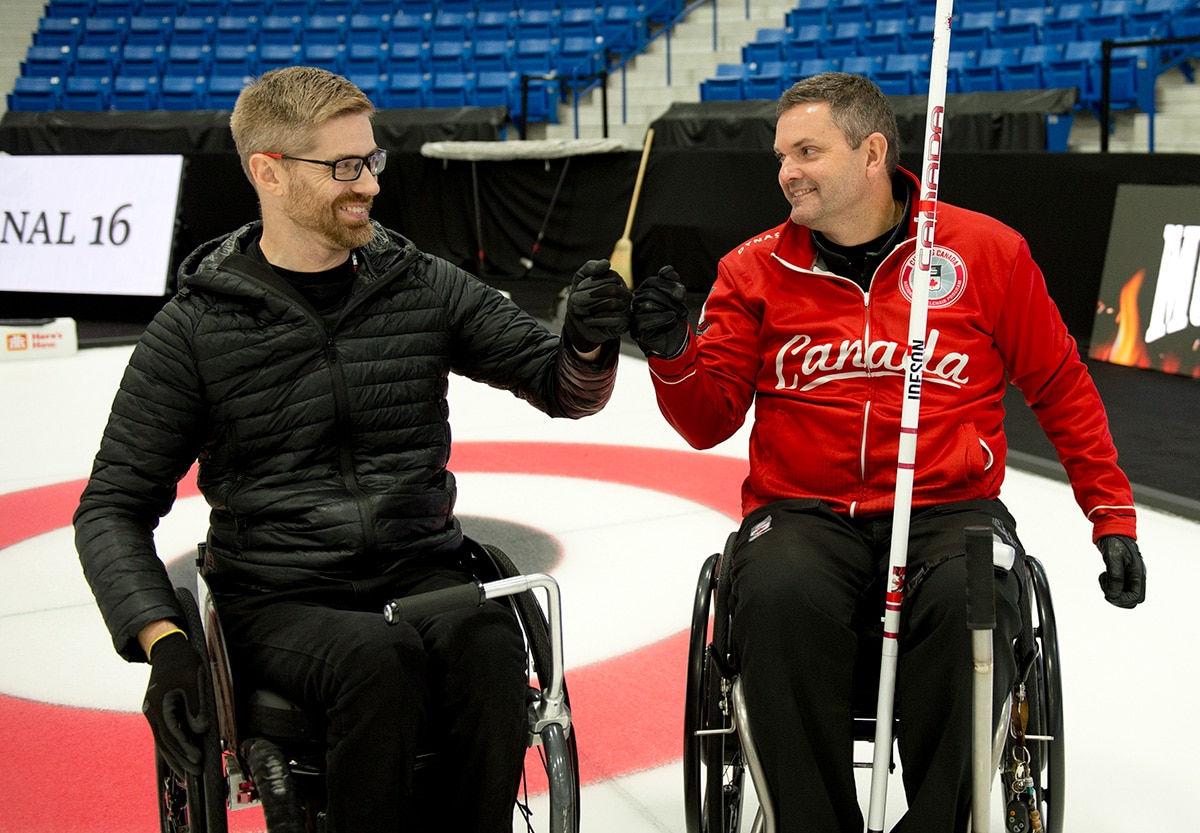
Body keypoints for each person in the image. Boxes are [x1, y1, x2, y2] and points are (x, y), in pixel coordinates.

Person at [74, 66, 631, 833]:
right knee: (378, 659)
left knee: (488, 650)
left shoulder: (422, 285)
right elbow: (111, 506)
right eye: (342, 167)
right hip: (280, 595)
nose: (367, 183)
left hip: (420, 567)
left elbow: (562, 386)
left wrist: (590, 342)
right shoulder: (196, 328)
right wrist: (162, 638)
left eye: (371, 160)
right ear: (267, 171)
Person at [630, 72, 1147, 832]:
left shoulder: (987, 252)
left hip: (948, 507)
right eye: (781, 156)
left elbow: (1061, 387)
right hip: (803, 512)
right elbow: (709, 420)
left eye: (807, 151)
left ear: (872, 152)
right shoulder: (753, 270)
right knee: (774, 592)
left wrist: (1111, 514)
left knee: (973, 600)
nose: (786, 172)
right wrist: (675, 351)